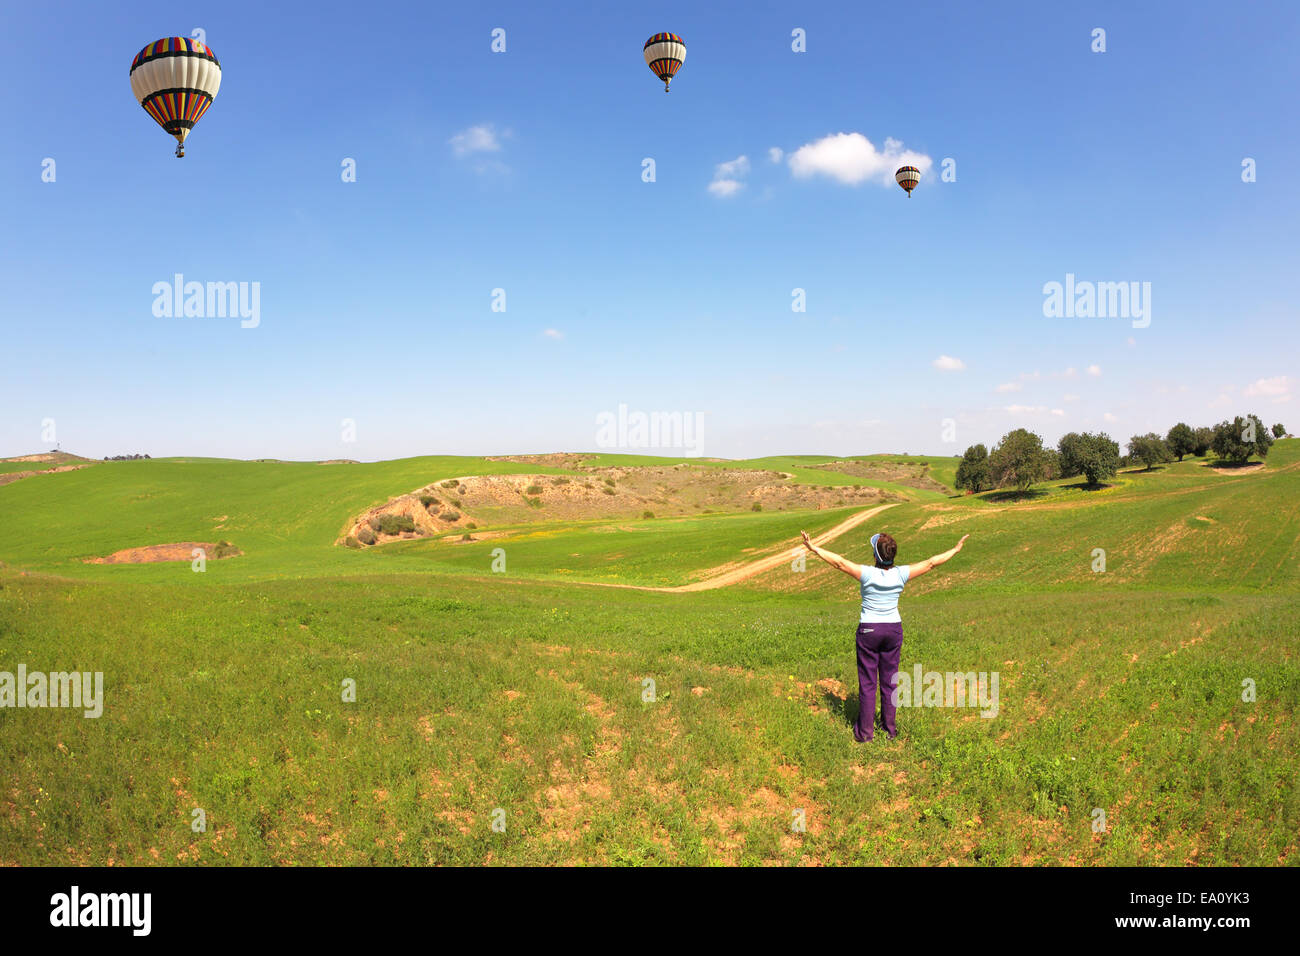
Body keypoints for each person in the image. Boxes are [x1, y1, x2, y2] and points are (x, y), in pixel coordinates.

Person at [800, 529, 969, 741]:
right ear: (892, 556)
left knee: (868, 683)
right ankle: (889, 731)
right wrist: (955, 549)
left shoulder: (867, 574)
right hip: (893, 630)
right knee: (890, 682)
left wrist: (814, 548)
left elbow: (839, 563)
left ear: (875, 556)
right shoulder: (901, 574)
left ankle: (865, 733)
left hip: (869, 630)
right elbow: (932, 563)